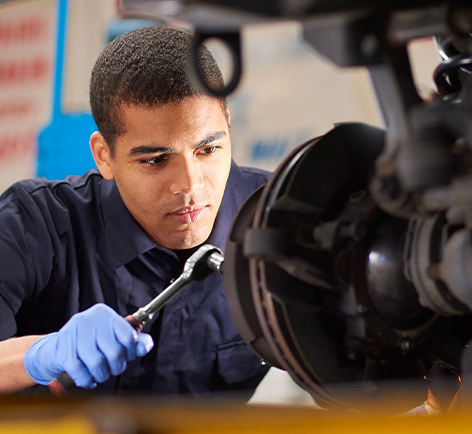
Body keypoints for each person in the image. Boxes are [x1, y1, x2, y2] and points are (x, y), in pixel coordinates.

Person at [0, 26, 270, 398]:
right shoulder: (35, 225)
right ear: (104, 156)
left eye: (207, 150)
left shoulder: (278, 218)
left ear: (228, 128)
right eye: (156, 160)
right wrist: (39, 356)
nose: (190, 186)